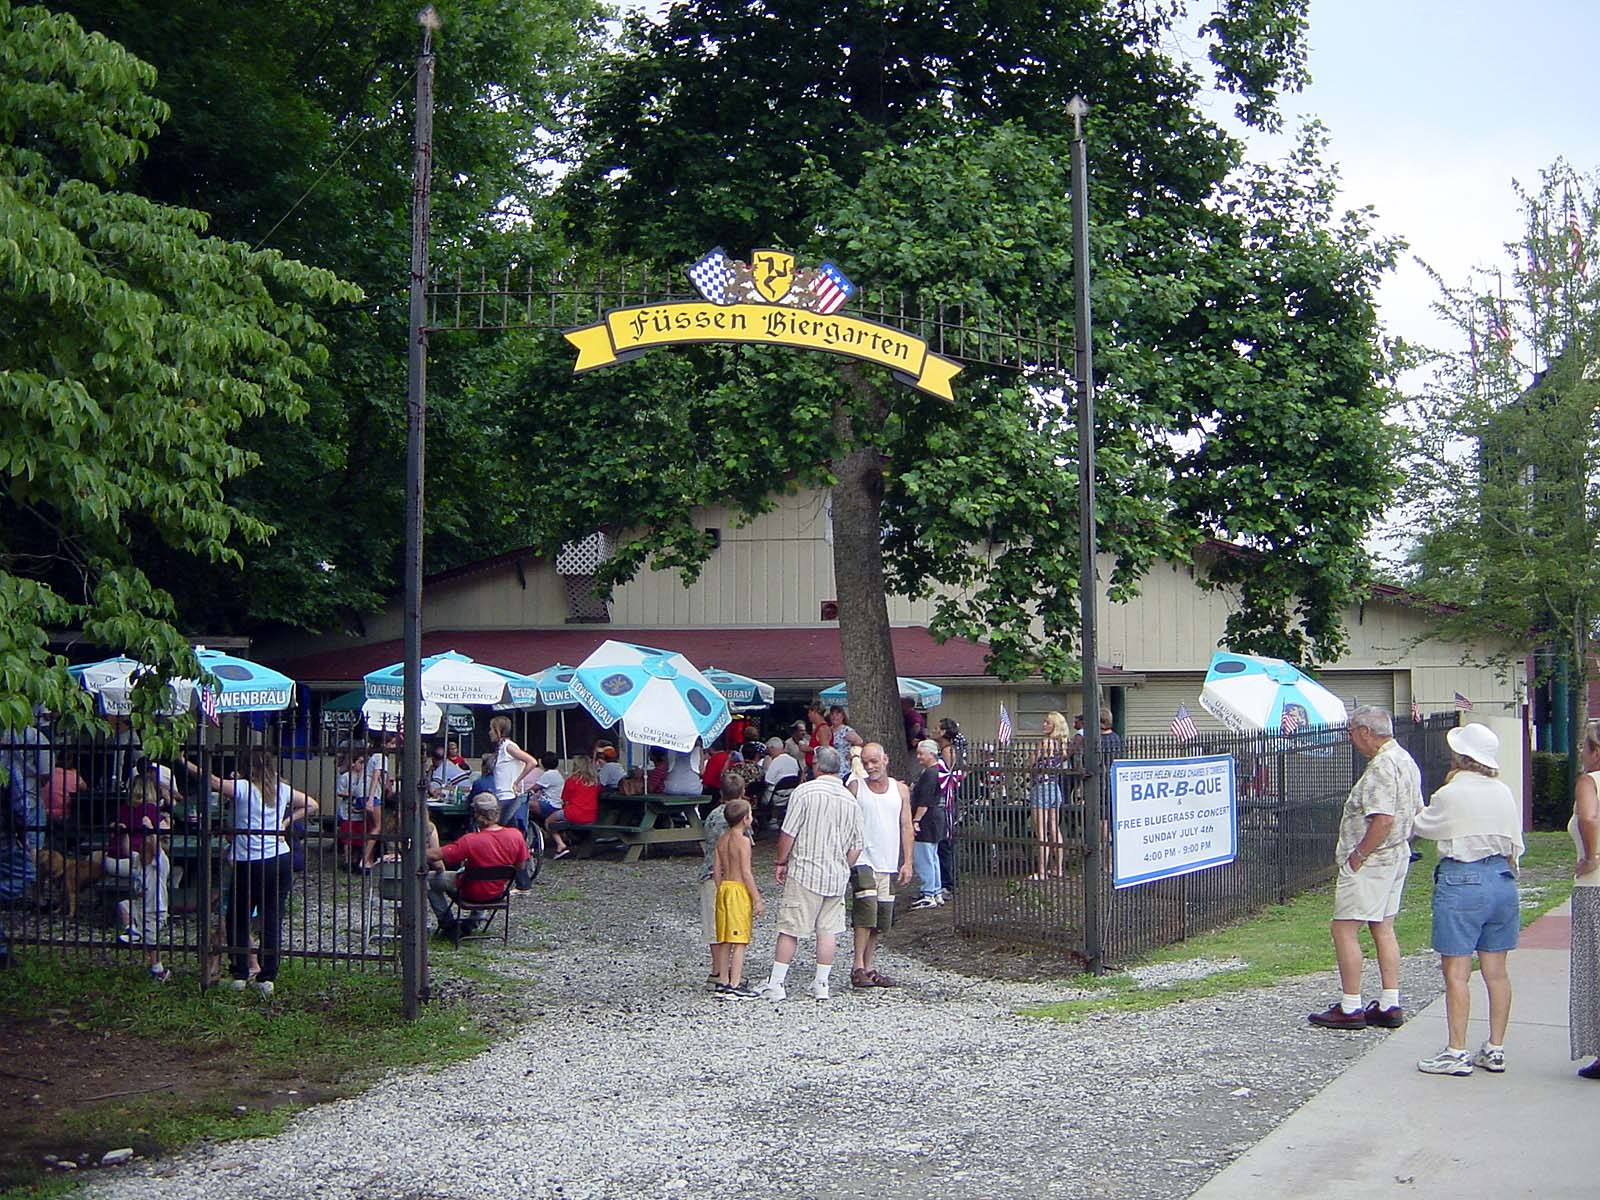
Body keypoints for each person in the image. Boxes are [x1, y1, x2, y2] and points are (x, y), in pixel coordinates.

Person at [1409, 723, 1523, 1075]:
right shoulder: (1502, 791)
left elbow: (1423, 826)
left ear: (1461, 757)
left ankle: (1456, 1051)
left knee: (1457, 971)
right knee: (1496, 972)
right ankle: (1495, 1048)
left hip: (1463, 878)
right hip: (1502, 881)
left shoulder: (1452, 793)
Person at [1309, 705, 1424, 1030]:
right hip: (1397, 855)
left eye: (1351, 732)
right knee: (1383, 926)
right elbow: (1417, 810)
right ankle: (1389, 1001)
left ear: (1365, 732)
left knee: (1344, 928)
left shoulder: (1380, 768)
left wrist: (1359, 854)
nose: (1350, 739)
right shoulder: (1405, 760)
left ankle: (1350, 1005)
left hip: (1373, 860)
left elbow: (1382, 819)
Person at [183, 748, 318, 997]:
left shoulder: (243, 788)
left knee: (237, 917)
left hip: (250, 860)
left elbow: (212, 781)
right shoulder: (281, 788)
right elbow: (312, 804)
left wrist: (184, 762)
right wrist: (285, 823)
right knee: (271, 918)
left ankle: (241, 972)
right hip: (279, 858)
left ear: (245, 765)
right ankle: (267, 977)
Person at [754, 746, 864, 1002]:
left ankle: (778, 982)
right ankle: (821, 983)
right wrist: (843, 865)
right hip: (835, 874)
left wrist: (781, 861)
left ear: (816, 765)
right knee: (828, 930)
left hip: (806, 869)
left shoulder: (805, 791)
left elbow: (789, 831)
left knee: (791, 927)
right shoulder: (850, 798)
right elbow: (858, 845)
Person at [846, 742, 912, 989]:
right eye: (866, 762)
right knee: (865, 909)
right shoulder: (855, 787)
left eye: (874, 761)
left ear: (886, 759)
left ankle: (869, 965)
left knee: (880, 916)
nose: (870, 767)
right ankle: (857, 966)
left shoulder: (900, 790)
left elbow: (906, 825)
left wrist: (907, 861)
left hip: (887, 860)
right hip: (863, 858)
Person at [424, 794, 530, 938]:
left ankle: (448, 923)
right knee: (484, 879)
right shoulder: (516, 836)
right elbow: (521, 865)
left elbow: (436, 855)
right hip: (496, 892)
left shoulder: (471, 840)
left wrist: (413, 850)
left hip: (469, 891)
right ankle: (473, 922)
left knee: (428, 880)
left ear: (477, 815)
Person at [103, 817, 173, 981]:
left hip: (156, 908)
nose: (141, 851)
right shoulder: (137, 862)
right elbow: (127, 849)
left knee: (151, 940)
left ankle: (158, 969)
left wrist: (149, 830)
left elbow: (155, 848)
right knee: (123, 905)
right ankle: (132, 930)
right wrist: (124, 833)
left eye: (145, 849)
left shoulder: (159, 864)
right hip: (140, 905)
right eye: (141, 848)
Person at [699, 775, 752, 989]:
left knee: (716, 928)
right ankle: (729, 975)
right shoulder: (738, 818)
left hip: (709, 874)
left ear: (721, 793)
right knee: (733, 931)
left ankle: (719, 972)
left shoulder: (713, 815)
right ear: (742, 792)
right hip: (732, 879)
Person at [1570, 721, 1600, 1080]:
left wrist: (1592, 854)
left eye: (1584, 746)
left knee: (1594, 969)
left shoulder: (1589, 782)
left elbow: (1588, 816)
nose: (1581, 752)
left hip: (1595, 887)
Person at [712, 797, 764, 998]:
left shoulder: (722, 839)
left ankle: (723, 979)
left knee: (725, 938)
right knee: (740, 940)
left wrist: (720, 888)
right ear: (745, 819)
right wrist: (757, 898)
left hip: (724, 888)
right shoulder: (742, 841)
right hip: (738, 891)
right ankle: (735, 982)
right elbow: (746, 872)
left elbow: (716, 870)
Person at [1029, 712, 1071, 881]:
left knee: (1041, 831)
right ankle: (1059, 868)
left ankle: (1041, 871)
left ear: (1054, 726)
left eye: (1047, 722)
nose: (1044, 724)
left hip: (1041, 787)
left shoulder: (1045, 743)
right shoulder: (1062, 745)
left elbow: (1030, 763)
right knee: (1054, 828)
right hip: (1055, 787)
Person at [909, 738, 947, 908]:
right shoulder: (938, 771)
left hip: (927, 819)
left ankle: (928, 893)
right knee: (932, 856)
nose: (918, 757)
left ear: (931, 754)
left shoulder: (930, 774)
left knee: (923, 857)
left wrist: (916, 820)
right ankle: (936, 890)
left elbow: (924, 801)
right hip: (937, 818)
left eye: (921, 753)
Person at [548, 753, 600, 859]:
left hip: (573, 813)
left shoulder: (571, 781)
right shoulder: (595, 782)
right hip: (590, 815)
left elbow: (564, 799)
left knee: (549, 821)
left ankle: (560, 844)